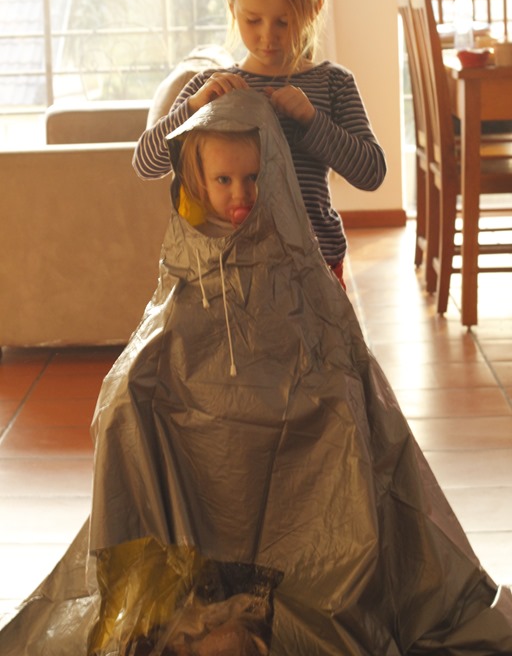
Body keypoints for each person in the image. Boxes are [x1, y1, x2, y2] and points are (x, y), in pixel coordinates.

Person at [1, 90, 512, 656]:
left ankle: (300, 592)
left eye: (251, 179)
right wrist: (190, 107)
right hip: (208, 357)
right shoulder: (195, 214)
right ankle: (177, 592)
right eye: (223, 181)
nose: (240, 194)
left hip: (294, 337)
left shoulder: (319, 108)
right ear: (198, 182)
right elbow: (148, 165)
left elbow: (364, 189)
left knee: (339, 412)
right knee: (124, 402)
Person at [133, 0, 387, 288]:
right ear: (231, 6)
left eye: (284, 21)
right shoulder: (209, 88)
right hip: (230, 273)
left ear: (314, 10)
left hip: (314, 268)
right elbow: (146, 163)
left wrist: (311, 120)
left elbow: (371, 172)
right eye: (253, 20)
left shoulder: (333, 84)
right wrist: (192, 108)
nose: (268, 36)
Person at [177, 127, 260, 237]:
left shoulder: (276, 227)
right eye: (224, 180)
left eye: (253, 177)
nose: (240, 194)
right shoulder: (193, 238)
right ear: (200, 179)